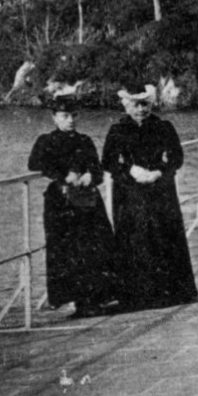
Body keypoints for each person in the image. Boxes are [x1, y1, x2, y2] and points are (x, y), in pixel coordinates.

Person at [102, 82, 197, 309]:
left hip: (159, 189)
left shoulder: (163, 126)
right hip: (129, 190)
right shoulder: (117, 130)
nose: (141, 109)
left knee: (163, 235)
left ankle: (169, 291)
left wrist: (159, 172)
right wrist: (129, 171)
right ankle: (135, 295)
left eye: (145, 104)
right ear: (127, 106)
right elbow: (107, 162)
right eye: (136, 105)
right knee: (134, 237)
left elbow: (177, 158)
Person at [27, 97, 122, 318]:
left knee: (95, 246)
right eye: (64, 116)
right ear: (54, 118)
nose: (70, 120)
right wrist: (63, 174)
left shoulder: (85, 140)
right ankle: (73, 299)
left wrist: (92, 175)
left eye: (73, 116)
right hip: (61, 202)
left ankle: (96, 298)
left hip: (88, 200)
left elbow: (98, 170)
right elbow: (34, 163)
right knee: (66, 250)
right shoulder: (46, 141)